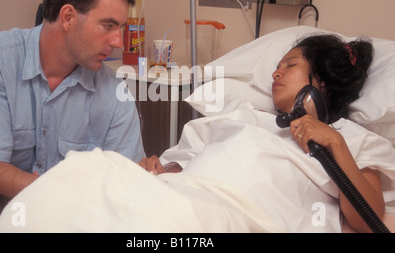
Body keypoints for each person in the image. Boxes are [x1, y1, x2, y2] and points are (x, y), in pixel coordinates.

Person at [0, 0, 145, 232]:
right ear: (68, 17)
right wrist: (55, 195)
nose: (118, 42)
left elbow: (125, 176)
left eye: (120, 27)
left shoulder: (114, 93)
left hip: (67, 205)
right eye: (108, 25)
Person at [139, 34, 390, 233]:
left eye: (290, 65)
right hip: (183, 201)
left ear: (322, 79)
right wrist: (161, 171)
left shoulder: (352, 138)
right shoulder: (243, 116)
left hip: (241, 218)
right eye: (277, 66)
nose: (275, 73)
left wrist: (335, 143)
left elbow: (368, 221)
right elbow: (185, 163)